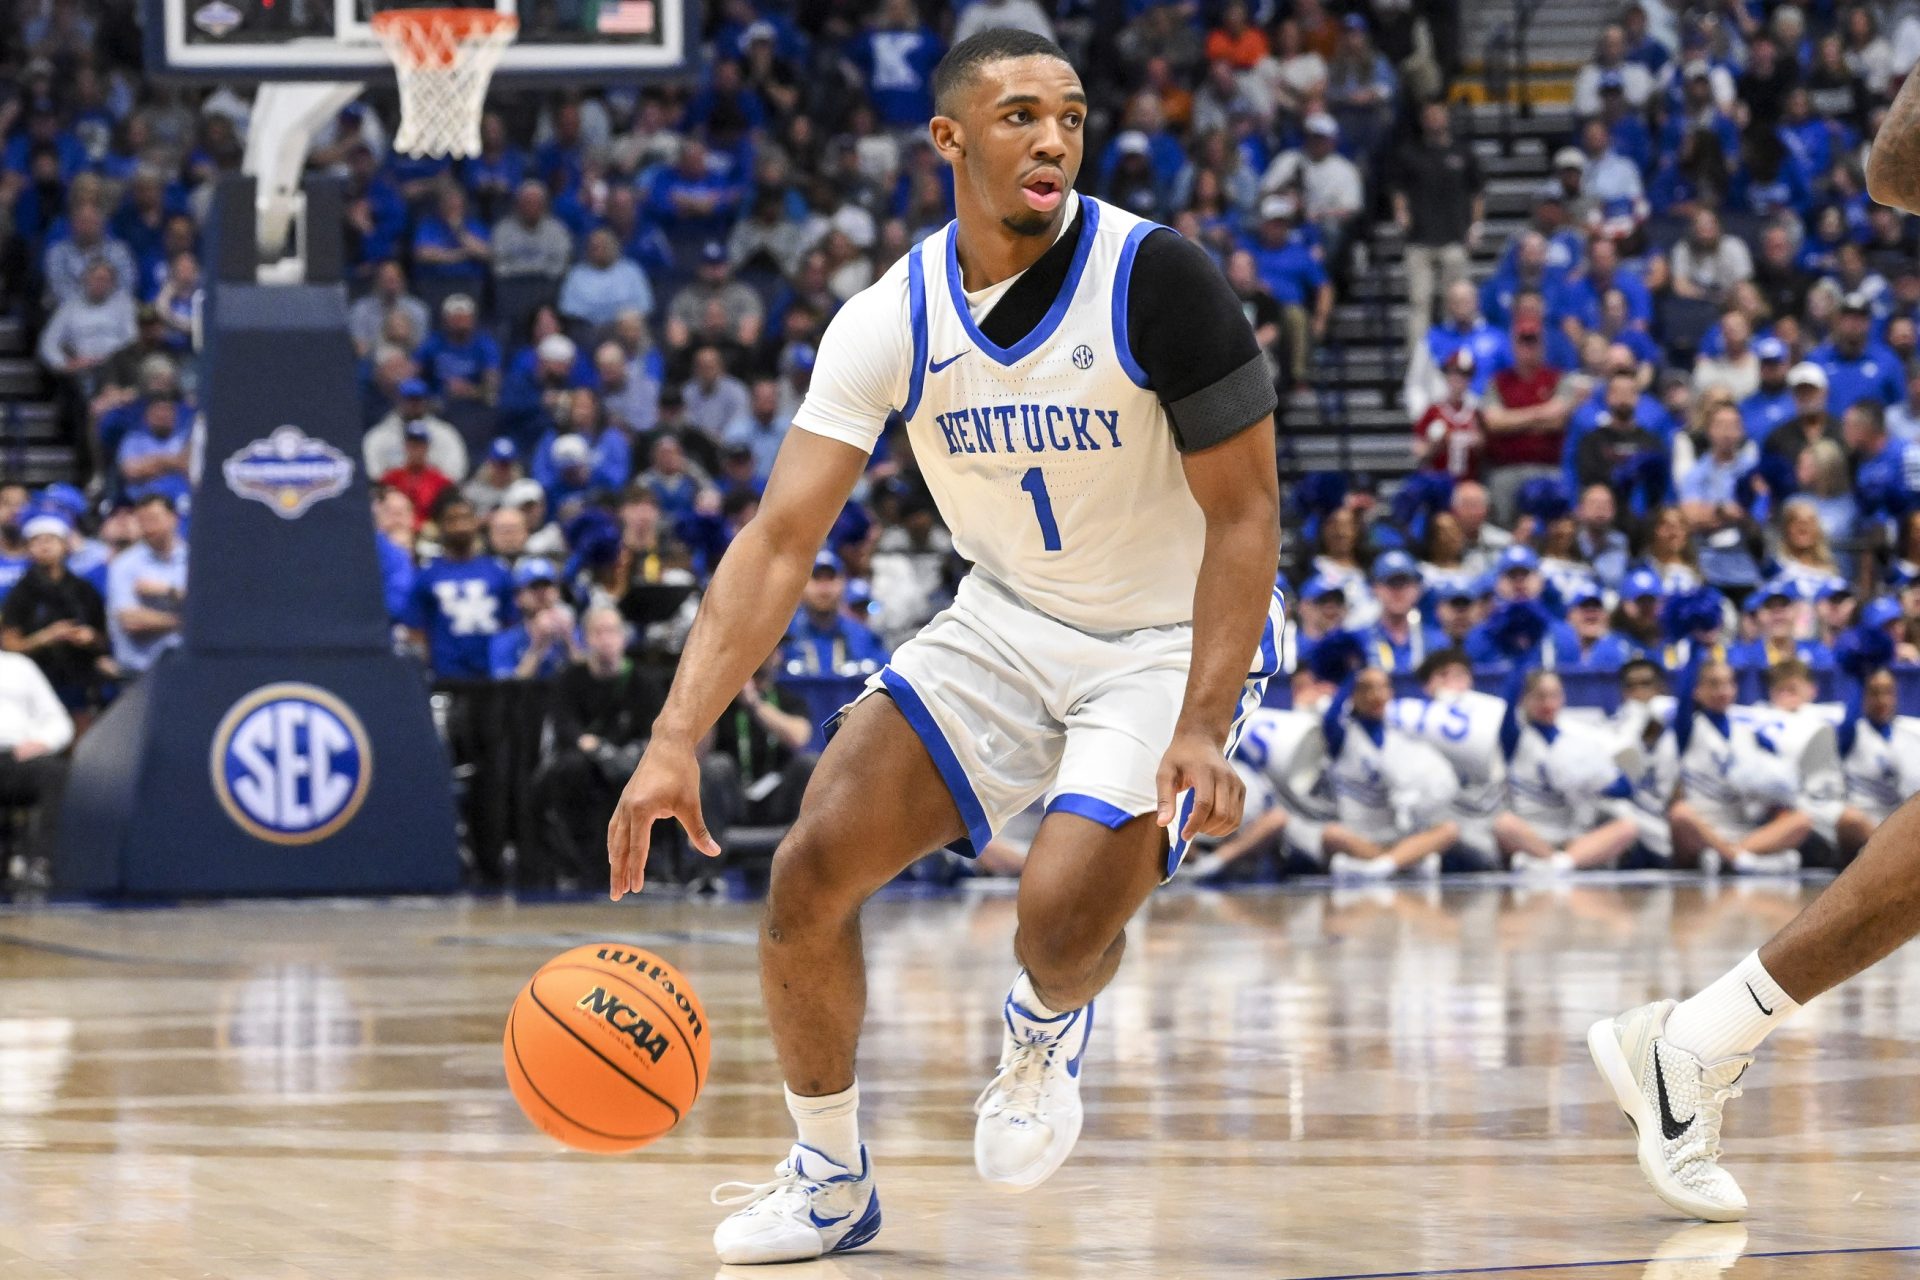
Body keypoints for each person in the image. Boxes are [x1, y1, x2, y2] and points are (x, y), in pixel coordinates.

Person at [606, 31, 1285, 1264]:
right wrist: (672, 738)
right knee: (809, 872)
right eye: (1021, 115)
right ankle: (828, 1179)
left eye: (1072, 117)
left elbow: (1249, 516)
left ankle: (1043, 1019)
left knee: (1059, 923)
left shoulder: (1158, 277)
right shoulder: (890, 316)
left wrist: (1201, 716)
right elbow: (776, 542)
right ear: (951, 138)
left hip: (1166, 637)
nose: (1054, 140)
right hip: (1008, 617)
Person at [529, 606, 666, 889]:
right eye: (598, 632)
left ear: (624, 637)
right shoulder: (569, 678)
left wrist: (633, 752)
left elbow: (656, 729)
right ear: (586, 638)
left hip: (630, 759)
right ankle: (580, 865)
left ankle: (650, 865)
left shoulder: (644, 680)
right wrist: (593, 747)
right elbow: (565, 725)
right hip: (585, 762)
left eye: (613, 631)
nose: (606, 640)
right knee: (573, 772)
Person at [1317, 664, 1461, 880]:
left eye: (1382, 687)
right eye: (1367, 688)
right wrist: (1353, 670)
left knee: (1450, 829)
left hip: (1398, 834)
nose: (1376, 695)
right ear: (1353, 695)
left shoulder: (1402, 735)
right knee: (1331, 835)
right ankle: (1402, 863)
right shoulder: (1343, 737)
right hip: (1359, 835)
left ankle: (1381, 865)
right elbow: (1329, 719)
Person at [0, 514, 111, 708]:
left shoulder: (83, 589)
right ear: (28, 549)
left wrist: (90, 637)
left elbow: (104, 639)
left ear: (65, 545)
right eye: (36, 541)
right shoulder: (19, 593)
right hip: (33, 683)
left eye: (51, 539)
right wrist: (47, 637)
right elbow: (9, 644)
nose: (45, 546)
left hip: (79, 681)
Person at [402, 495, 516, 680]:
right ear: (440, 526)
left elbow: (511, 623)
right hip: (447, 673)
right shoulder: (427, 575)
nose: (460, 526)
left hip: (494, 673)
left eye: (465, 518)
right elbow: (416, 630)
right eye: (452, 520)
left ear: (476, 523)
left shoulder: (497, 570)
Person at [105, 494, 187, 675]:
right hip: (139, 673)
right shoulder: (124, 564)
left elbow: (209, 607)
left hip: (187, 671)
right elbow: (131, 621)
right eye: (142, 521)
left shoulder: (194, 559)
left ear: (174, 519)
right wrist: (184, 621)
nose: (148, 527)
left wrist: (166, 591)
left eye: (154, 519)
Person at [488, 557, 577, 680]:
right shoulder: (504, 640)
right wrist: (537, 647)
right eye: (534, 587)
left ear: (557, 592)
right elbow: (507, 690)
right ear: (518, 598)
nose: (541, 593)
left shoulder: (574, 631)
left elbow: (590, 677)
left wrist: (569, 641)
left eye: (546, 586)